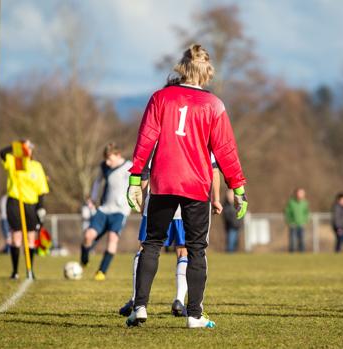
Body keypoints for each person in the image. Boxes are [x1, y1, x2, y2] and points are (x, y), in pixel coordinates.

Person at [126, 44, 247, 329]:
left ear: (182, 68)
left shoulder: (160, 97)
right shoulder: (214, 105)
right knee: (196, 249)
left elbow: (146, 139)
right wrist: (238, 187)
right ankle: (194, 315)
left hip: (164, 180)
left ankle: (140, 308)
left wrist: (134, 178)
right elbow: (226, 150)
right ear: (207, 73)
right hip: (196, 184)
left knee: (152, 245)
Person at [122, 155, 222, 322]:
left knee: (148, 247)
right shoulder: (201, 132)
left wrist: (144, 202)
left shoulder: (160, 132)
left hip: (160, 195)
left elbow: (146, 172)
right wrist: (216, 198)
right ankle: (181, 301)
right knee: (186, 250)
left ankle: (138, 303)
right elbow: (214, 169)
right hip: (190, 198)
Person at [80, 143, 132, 281]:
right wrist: (93, 199)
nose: (108, 162)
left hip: (120, 212)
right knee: (88, 235)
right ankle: (84, 257)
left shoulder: (129, 167)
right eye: (106, 159)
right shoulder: (104, 167)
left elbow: (135, 186)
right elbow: (98, 182)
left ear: (118, 155)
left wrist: (130, 206)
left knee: (112, 239)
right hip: (104, 209)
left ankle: (101, 271)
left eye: (110, 159)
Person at [1, 140, 49, 279]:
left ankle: (30, 270)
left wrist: (41, 208)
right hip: (15, 202)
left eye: (29, 148)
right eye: (25, 148)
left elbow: (41, 189)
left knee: (30, 238)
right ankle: (15, 271)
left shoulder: (36, 166)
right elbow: (2, 153)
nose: (27, 150)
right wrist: (18, 144)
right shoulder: (14, 161)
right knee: (17, 237)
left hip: (31, 205)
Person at [284, 188, 309, 252]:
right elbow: (287, 212)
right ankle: (291, 254)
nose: (301, 194)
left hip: (301, 224)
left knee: (302, 240)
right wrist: (289, 221)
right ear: (296, 193)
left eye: (302, 193)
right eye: (300, 193)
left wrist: (305, 221)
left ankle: (302, 254)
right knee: (292, 241)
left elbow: (307, 213)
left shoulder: (305, 203)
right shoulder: (291, 202)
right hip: (293, 224)